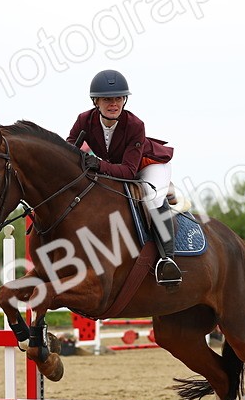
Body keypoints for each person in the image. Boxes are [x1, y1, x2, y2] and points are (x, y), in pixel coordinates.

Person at [66, 69, 181, 286]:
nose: (114, 104)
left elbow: (129, 172)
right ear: (96, 102)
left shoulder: (135, 125)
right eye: (107, 99)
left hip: (149, 165)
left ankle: (168, 260)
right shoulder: (84, 120)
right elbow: (69, 148)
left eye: (118, 98)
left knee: (151, 197)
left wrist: (98, 164)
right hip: (119, 166)